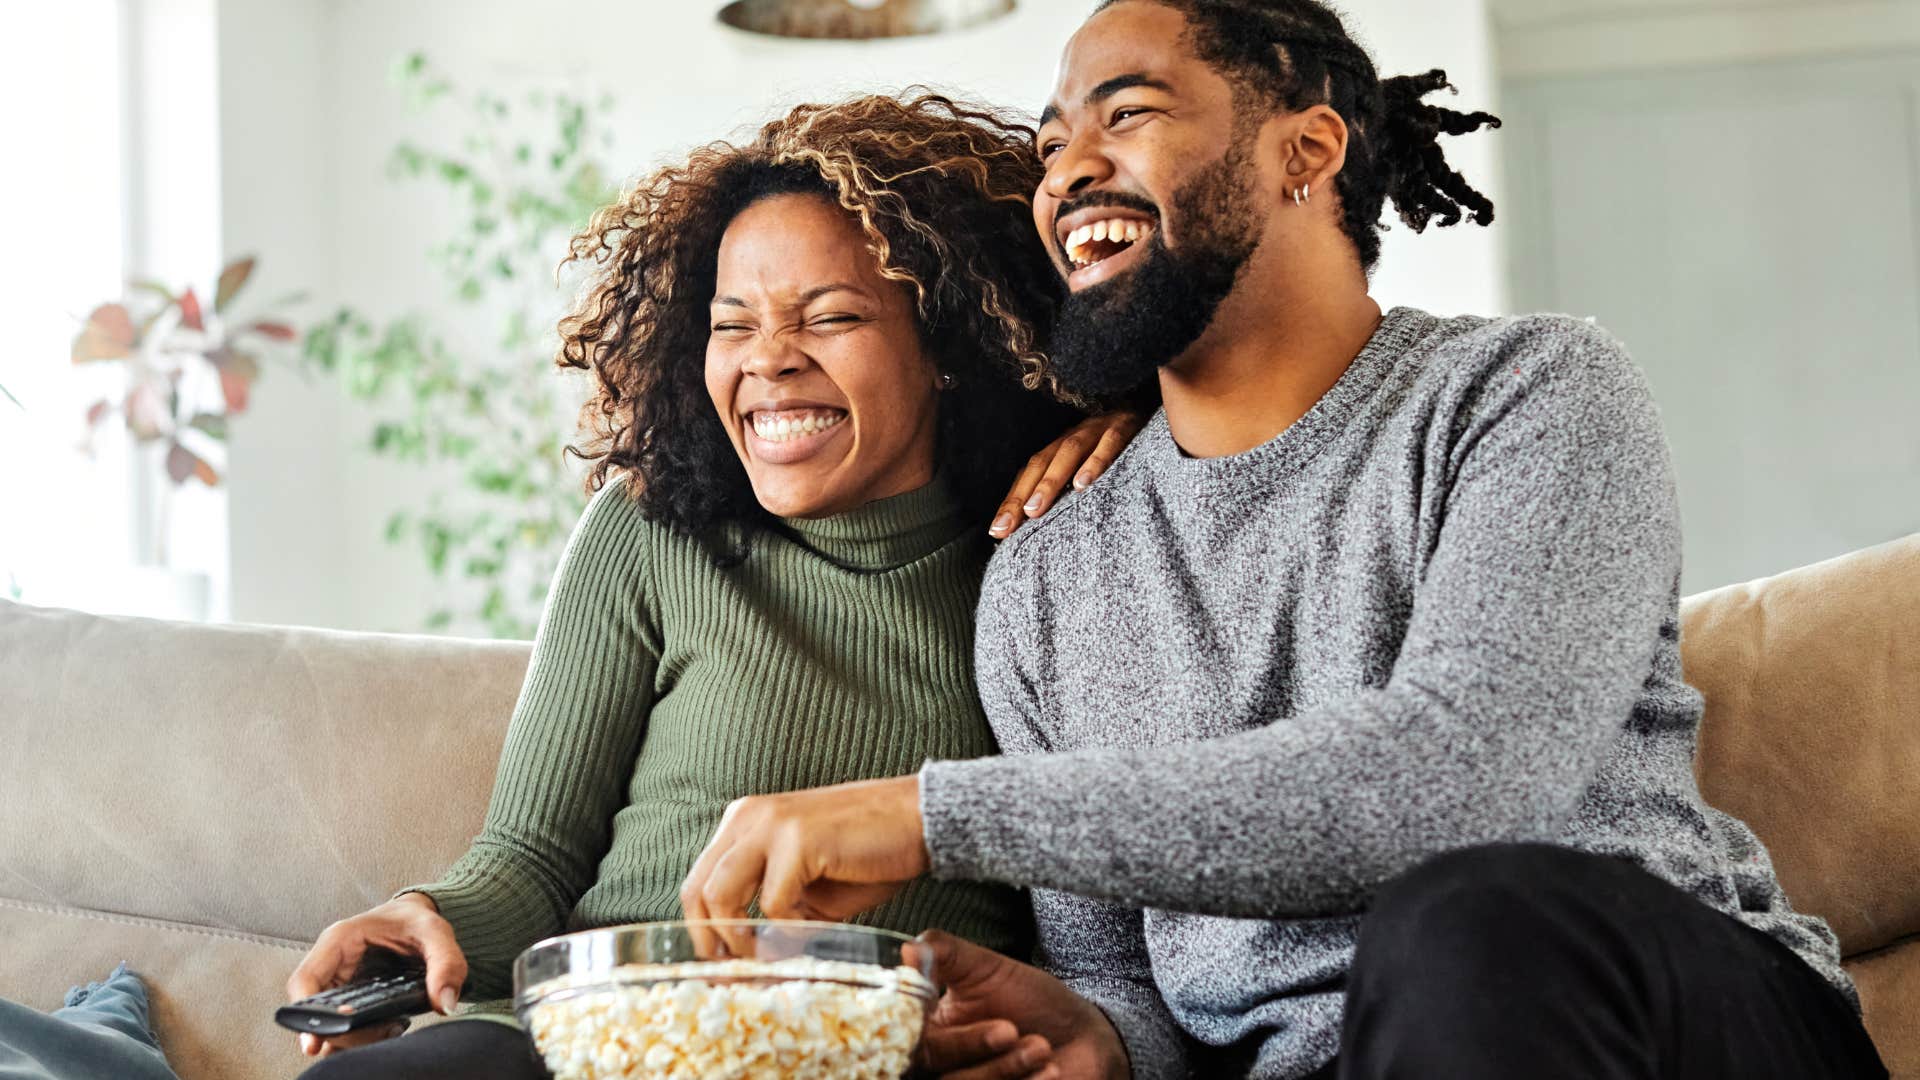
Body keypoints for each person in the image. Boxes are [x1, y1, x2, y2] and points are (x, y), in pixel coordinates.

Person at [677, 3, 1891, 1078]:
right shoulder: (1047, 574)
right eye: (1052, 146)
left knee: (1461, 925)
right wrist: (1097, 1037)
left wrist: (929, 816)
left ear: (1305, 150)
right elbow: (1136, 989)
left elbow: (1461, 779)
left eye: (1128, 113)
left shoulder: (1527, 394)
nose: (1066, 173)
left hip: (1665, 1019)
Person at [284, 92, 1142, 1079]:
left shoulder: (1047, 563)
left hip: (847, 1052)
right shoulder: (651, 531)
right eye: (734, 325)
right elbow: (532, 857)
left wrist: (1136, 435)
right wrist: (420, 918)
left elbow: (1096, 920)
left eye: (831, 316)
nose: (770, 360)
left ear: (949, 349)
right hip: (580, 1044)